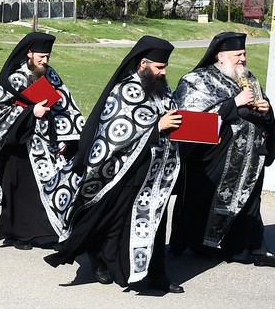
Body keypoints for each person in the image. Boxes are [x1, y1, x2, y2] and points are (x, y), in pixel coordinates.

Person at [46, 36, 184, 294]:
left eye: (165, 67)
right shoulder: (124, 90)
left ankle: (157, 274)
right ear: (143, 63)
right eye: (159, 67)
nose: (164, 72)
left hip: (156, 174)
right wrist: (157, 127)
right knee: (113, 220)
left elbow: (172, 117)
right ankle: (100, 258)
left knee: (155, 221)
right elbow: (115, 132)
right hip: (123, 170)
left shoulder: (162, 89)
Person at [170, 32, 275, 265]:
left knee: (248, 200)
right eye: (237, 54)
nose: (243, 59)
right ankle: (199, 244)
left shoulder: (250, 79)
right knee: (206, 200)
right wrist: (234, 104)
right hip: (214, 156)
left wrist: (266, 112)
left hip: (251, 157)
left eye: (245, 54)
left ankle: (249, 248)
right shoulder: (198, 80)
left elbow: (262, 115)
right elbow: (191, 118)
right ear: (220, 56)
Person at [0, 32, 85, 248]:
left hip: (47, 144)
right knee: (20, 191)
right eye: (41, 56)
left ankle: (50, 233)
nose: (44, 61)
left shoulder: (51, 75)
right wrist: (29, 112)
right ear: (29, 53)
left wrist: (70, 138)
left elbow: (66, 106)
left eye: (47, 57)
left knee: (49, 186)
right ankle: (18, 235)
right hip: (19, 143)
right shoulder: (15, 78)